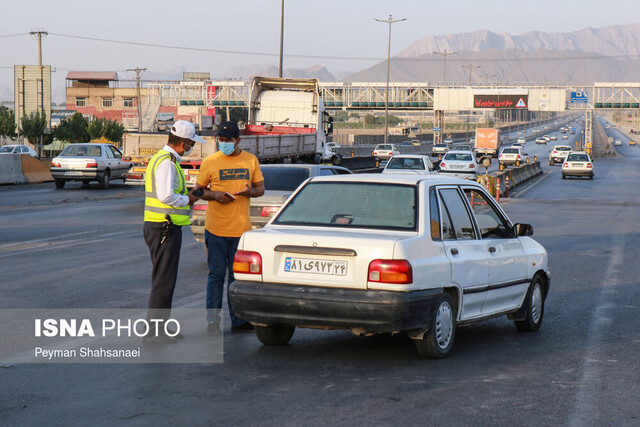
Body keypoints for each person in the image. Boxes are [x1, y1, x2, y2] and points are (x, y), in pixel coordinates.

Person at [194, 121, 265, 335]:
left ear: (238, 140)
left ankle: (239, 320)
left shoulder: (250, 161)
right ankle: (213, 323)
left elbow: (260, 189)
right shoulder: (210, 162)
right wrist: (214, 195)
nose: (223, 143)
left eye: (228, 140)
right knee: (216, 276)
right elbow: (197, 192)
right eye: (221, 140)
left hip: (241, 231)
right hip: (215, 229)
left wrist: (248, 192)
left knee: (237, 279)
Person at [143, 120, 204, 343]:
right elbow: (166, 196)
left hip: (161, 226)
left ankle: (159, 329)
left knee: (164, 280)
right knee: (163, 281)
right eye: (191, 144)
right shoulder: (167, 162)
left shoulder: (165, 159)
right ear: (184, 143)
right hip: (164, 227)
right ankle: (154, 334)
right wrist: (188, 198)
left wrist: (188, 194)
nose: (191, 148)